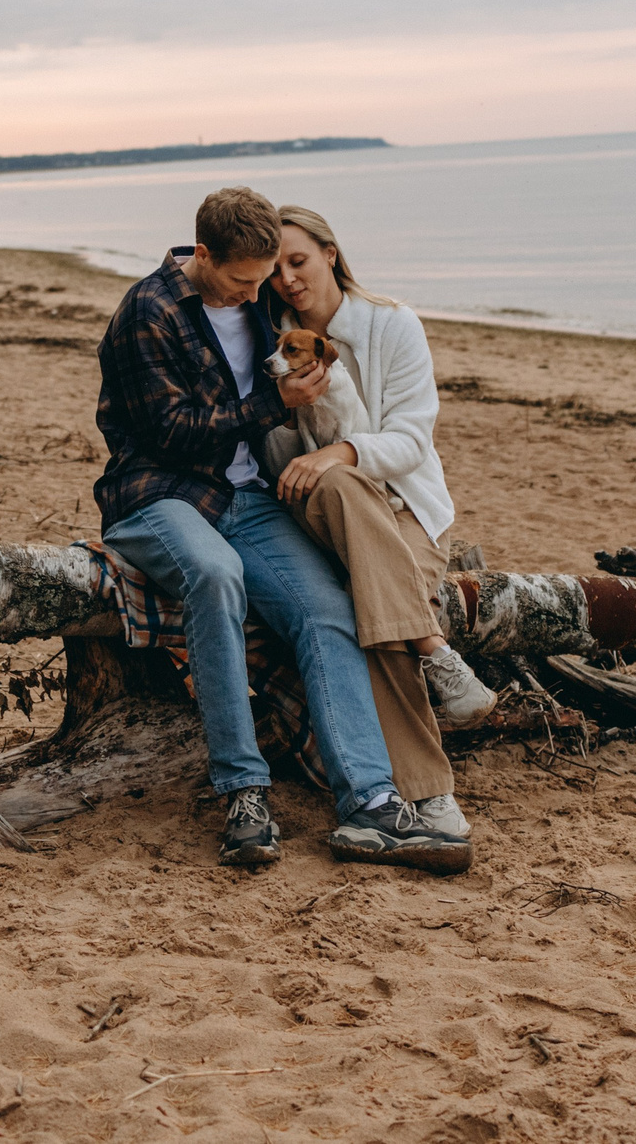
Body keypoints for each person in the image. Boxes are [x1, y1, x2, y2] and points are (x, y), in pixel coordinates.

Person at [94, 186, 470, 873]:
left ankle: (373, 800)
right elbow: (171, 434)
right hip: (162, 489)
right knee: (215, 575)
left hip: (246, 496)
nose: (259, 293)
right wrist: (273, 401)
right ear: (202, 254)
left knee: (328, 610)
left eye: (266, 277)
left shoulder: (263, 298)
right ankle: (243, 791)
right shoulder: (148, 312)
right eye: (243, 279)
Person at [263, 205, 499, 847]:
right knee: (338, 485)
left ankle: (413, 795)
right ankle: (436, 661)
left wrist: (338, 452)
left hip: (405, 510)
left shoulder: (392, 324)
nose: (286, 278)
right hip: (320, 512)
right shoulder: (274, 345)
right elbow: (281, 469)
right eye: (275, 266)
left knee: (368, 607)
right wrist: (287, 417)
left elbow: (412, 440)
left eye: (299, 260)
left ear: (331, 254)